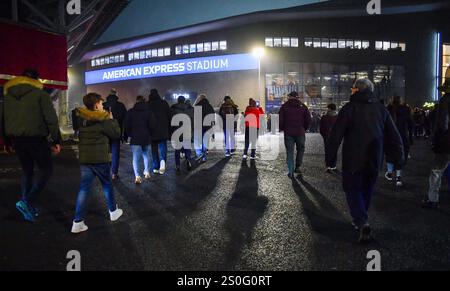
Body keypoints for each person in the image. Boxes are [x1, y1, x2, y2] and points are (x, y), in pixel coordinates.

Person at [326, 79, 403, 244]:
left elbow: (335, 136)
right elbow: (394, 135)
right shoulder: (381, 109)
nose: (351, 90)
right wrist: (399, 158)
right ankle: (362, 219)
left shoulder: (349, 108)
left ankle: (361, 221)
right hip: (374, 157)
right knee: (367, 189)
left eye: (352, 88)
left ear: (356, 90)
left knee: (352, 188)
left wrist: (330, 158)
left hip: (353, 158)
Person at [3, 69, 62, 222]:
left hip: (17, 140)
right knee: (46, 170)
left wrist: (6, 141)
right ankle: (27, 201)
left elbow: (3, 118)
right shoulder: (41, 95)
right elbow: (51, 119)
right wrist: (56, 140)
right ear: (36, 80)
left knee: (27, 171)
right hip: (36, 138)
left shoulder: (8, 95)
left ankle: (27, 205)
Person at [71, 93, 123, 233]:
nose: (102, 105)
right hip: (100, 159)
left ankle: (78, 222)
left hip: (85, 160)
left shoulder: (81, 118)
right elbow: (116, 134)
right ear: (96, 105)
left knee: (84, 189)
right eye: (100, 103)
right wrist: (111, 119)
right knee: (107, 185)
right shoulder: (103, 119)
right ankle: (113, 211)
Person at [423, 68, 450, 209]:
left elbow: (443, 123)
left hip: (446, 142)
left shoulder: (446, 100)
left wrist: (436, 139)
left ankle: (432, 199)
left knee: (436, 171)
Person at [279, 92, 311, 177]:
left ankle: (291, 171)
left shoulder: (284, 107)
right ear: (297, 97)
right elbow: (308, 119)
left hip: (288, 133)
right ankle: (298, 167)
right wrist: (304, 128)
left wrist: (282, 128)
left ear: (290, 97)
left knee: (290, 152)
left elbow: (281, 120)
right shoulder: (303, 107)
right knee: (301, 150)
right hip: (300, 132)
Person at [124, 96, 154, 184]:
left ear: (136, 101)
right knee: (146, 155)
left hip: (135, 138)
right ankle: (147, 172)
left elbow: (127, 125)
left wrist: (130, 134)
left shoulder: (131, 112)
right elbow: (152, 125)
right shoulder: (149, 112)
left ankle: (137, 176)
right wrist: (150, 134)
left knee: (135, 158)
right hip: (146, 137)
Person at [385, 96, 414, 187]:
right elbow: (411, 124)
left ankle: (389, 173)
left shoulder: (388, 109)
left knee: (390, 154)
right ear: (401, 101)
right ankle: (398, 177)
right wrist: (410, 138)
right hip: (402, 136)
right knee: (400, 156)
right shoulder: (406, 109)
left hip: (390, 136)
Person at [103, 89, 127, 180]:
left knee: (105, 153)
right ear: (116, 95)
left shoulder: (103, 105)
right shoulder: (121, 106)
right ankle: (114, 173)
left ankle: (106, 172)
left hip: (105, 133)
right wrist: (124, 134)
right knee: (115, 153)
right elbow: (125, 121)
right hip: (116, 133)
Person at [148, 89, 171, 175]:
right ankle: (162, 162)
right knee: (162, 147)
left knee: (154, 149)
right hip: (162, 129)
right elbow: (169, 116)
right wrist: (169, 128)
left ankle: (155, 167)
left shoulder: (148, 104)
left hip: (152, 130)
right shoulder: (164, 103)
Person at [170, 96, 194, 172]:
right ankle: (188, 160)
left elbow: (171, 121)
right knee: (187, 148)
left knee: (177, 149)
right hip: (187, 131)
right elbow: (193, 121)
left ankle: (177, 165)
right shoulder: (190, 108)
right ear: (184, 101)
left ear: (178, 100)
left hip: (177, 131)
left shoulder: (173, 109)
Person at [194, 94, 215, 162]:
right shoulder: (209, 106)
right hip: (207, 126)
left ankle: (199, 154)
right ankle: (204, 157)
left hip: (198, 126)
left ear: (199, 99)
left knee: (198, 141)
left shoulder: (197, 106)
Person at [320, 103, 338, 173]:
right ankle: (333, 165)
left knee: (327, 151)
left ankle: (328, 166)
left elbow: (321, 128)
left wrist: (324, 135)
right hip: (336, 137)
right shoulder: (338, 117)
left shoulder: (324, 117)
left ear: (329, 108)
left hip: (327, 137)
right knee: (334, 151)